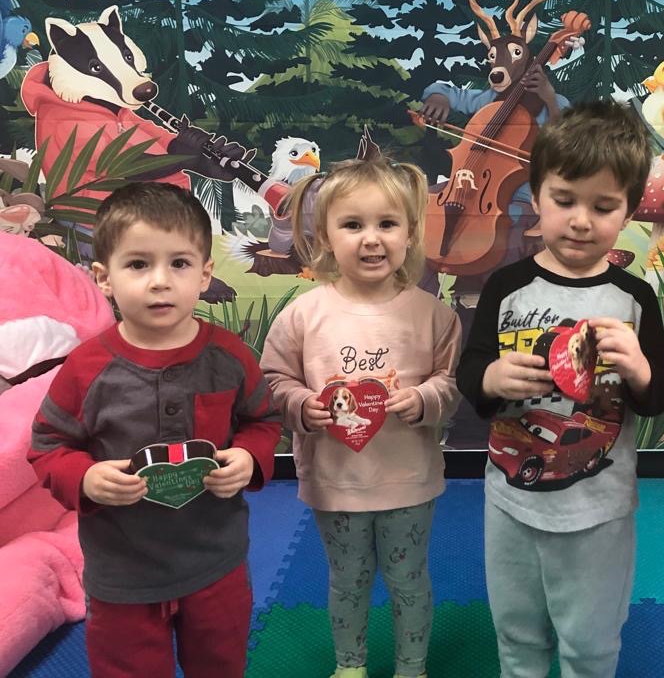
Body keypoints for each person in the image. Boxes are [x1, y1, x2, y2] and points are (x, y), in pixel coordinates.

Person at [455, 99, 664, 678]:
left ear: (628, 211)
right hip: (511, 502)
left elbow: (658, 397)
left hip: (599, 510)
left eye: (603, 207)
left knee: (591, 645)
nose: (581, 221)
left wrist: (640, 370)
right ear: (537, 196)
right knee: (518, 637)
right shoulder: (505, 286)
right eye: (565, 200)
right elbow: (469, 371)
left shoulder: (635, 298)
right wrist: (491, 378)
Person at [28, 182, 282, 678]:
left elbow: (263, 420)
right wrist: (84, 477)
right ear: (104, 277)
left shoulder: (229, 357)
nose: (160, 282)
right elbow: (48, 446)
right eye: (139, 264)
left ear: (205, 274)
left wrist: (249, 456)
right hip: (122, 572)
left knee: (221, 667)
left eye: (179, 263)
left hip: (216, 564)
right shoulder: (86, 369)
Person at [260, 155, 462, 678]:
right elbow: (273, 380)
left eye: (387, 224)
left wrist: (426, 399)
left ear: (410, 233)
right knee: (347, 580)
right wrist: (302, 405)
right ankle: (350, 665)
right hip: (335, 480)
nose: (371, 239)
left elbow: (452, 381)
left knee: (408, 580)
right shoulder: (302, 316)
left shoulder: (434, 314)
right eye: (352, 225)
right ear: (325, 236)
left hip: (409, 480)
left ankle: (411, 667)